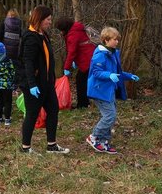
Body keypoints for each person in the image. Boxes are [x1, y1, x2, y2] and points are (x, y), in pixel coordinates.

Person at [20, 6, 70, 154]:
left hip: (47, 83)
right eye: (48, 19)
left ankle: (52, 145)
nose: (50, 22)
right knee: (32, 114)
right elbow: (27, 62)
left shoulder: (43, 34)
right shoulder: (30, 36)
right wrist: (32, 84)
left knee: (53, 110)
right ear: (40, 19)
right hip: (34, 84)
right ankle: (25, 147)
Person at [86, 26, 139, 155]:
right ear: (106, 40)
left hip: (109, 90)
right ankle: (93, 137)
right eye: (115, 39)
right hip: (99, 90)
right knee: (110, 116)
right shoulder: (100, 55)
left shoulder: (113, 53)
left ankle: (104, 142)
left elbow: (116, 72)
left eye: (117, 39)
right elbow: (96, 72)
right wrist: (109, 75)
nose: (117, 42)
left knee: (111, 116)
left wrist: (128, 76)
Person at [55, 16, 96, 109]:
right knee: (82, 80)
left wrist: (66, 67)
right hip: (90, 57)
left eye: (61, 30)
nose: (60, 32)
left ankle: (83, 104)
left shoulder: (73, 35)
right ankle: (85, 102)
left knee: (80, 81)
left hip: (87, 60)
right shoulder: (76, 29)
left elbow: (72, 52)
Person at [0, 8, 23, 86]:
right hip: (15, 51)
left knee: (3, 69)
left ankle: (4, 84)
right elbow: (22, 36)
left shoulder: (4, 23)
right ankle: (14, 86)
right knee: (14, 69)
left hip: (5, 51)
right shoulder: (19, 25)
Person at [0, 42, 16, 126]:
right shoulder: (8, 61)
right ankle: (7, 119)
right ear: (4, 51)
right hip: (7, 85)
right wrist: (12, 83)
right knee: (8, 101)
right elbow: (12, 72)